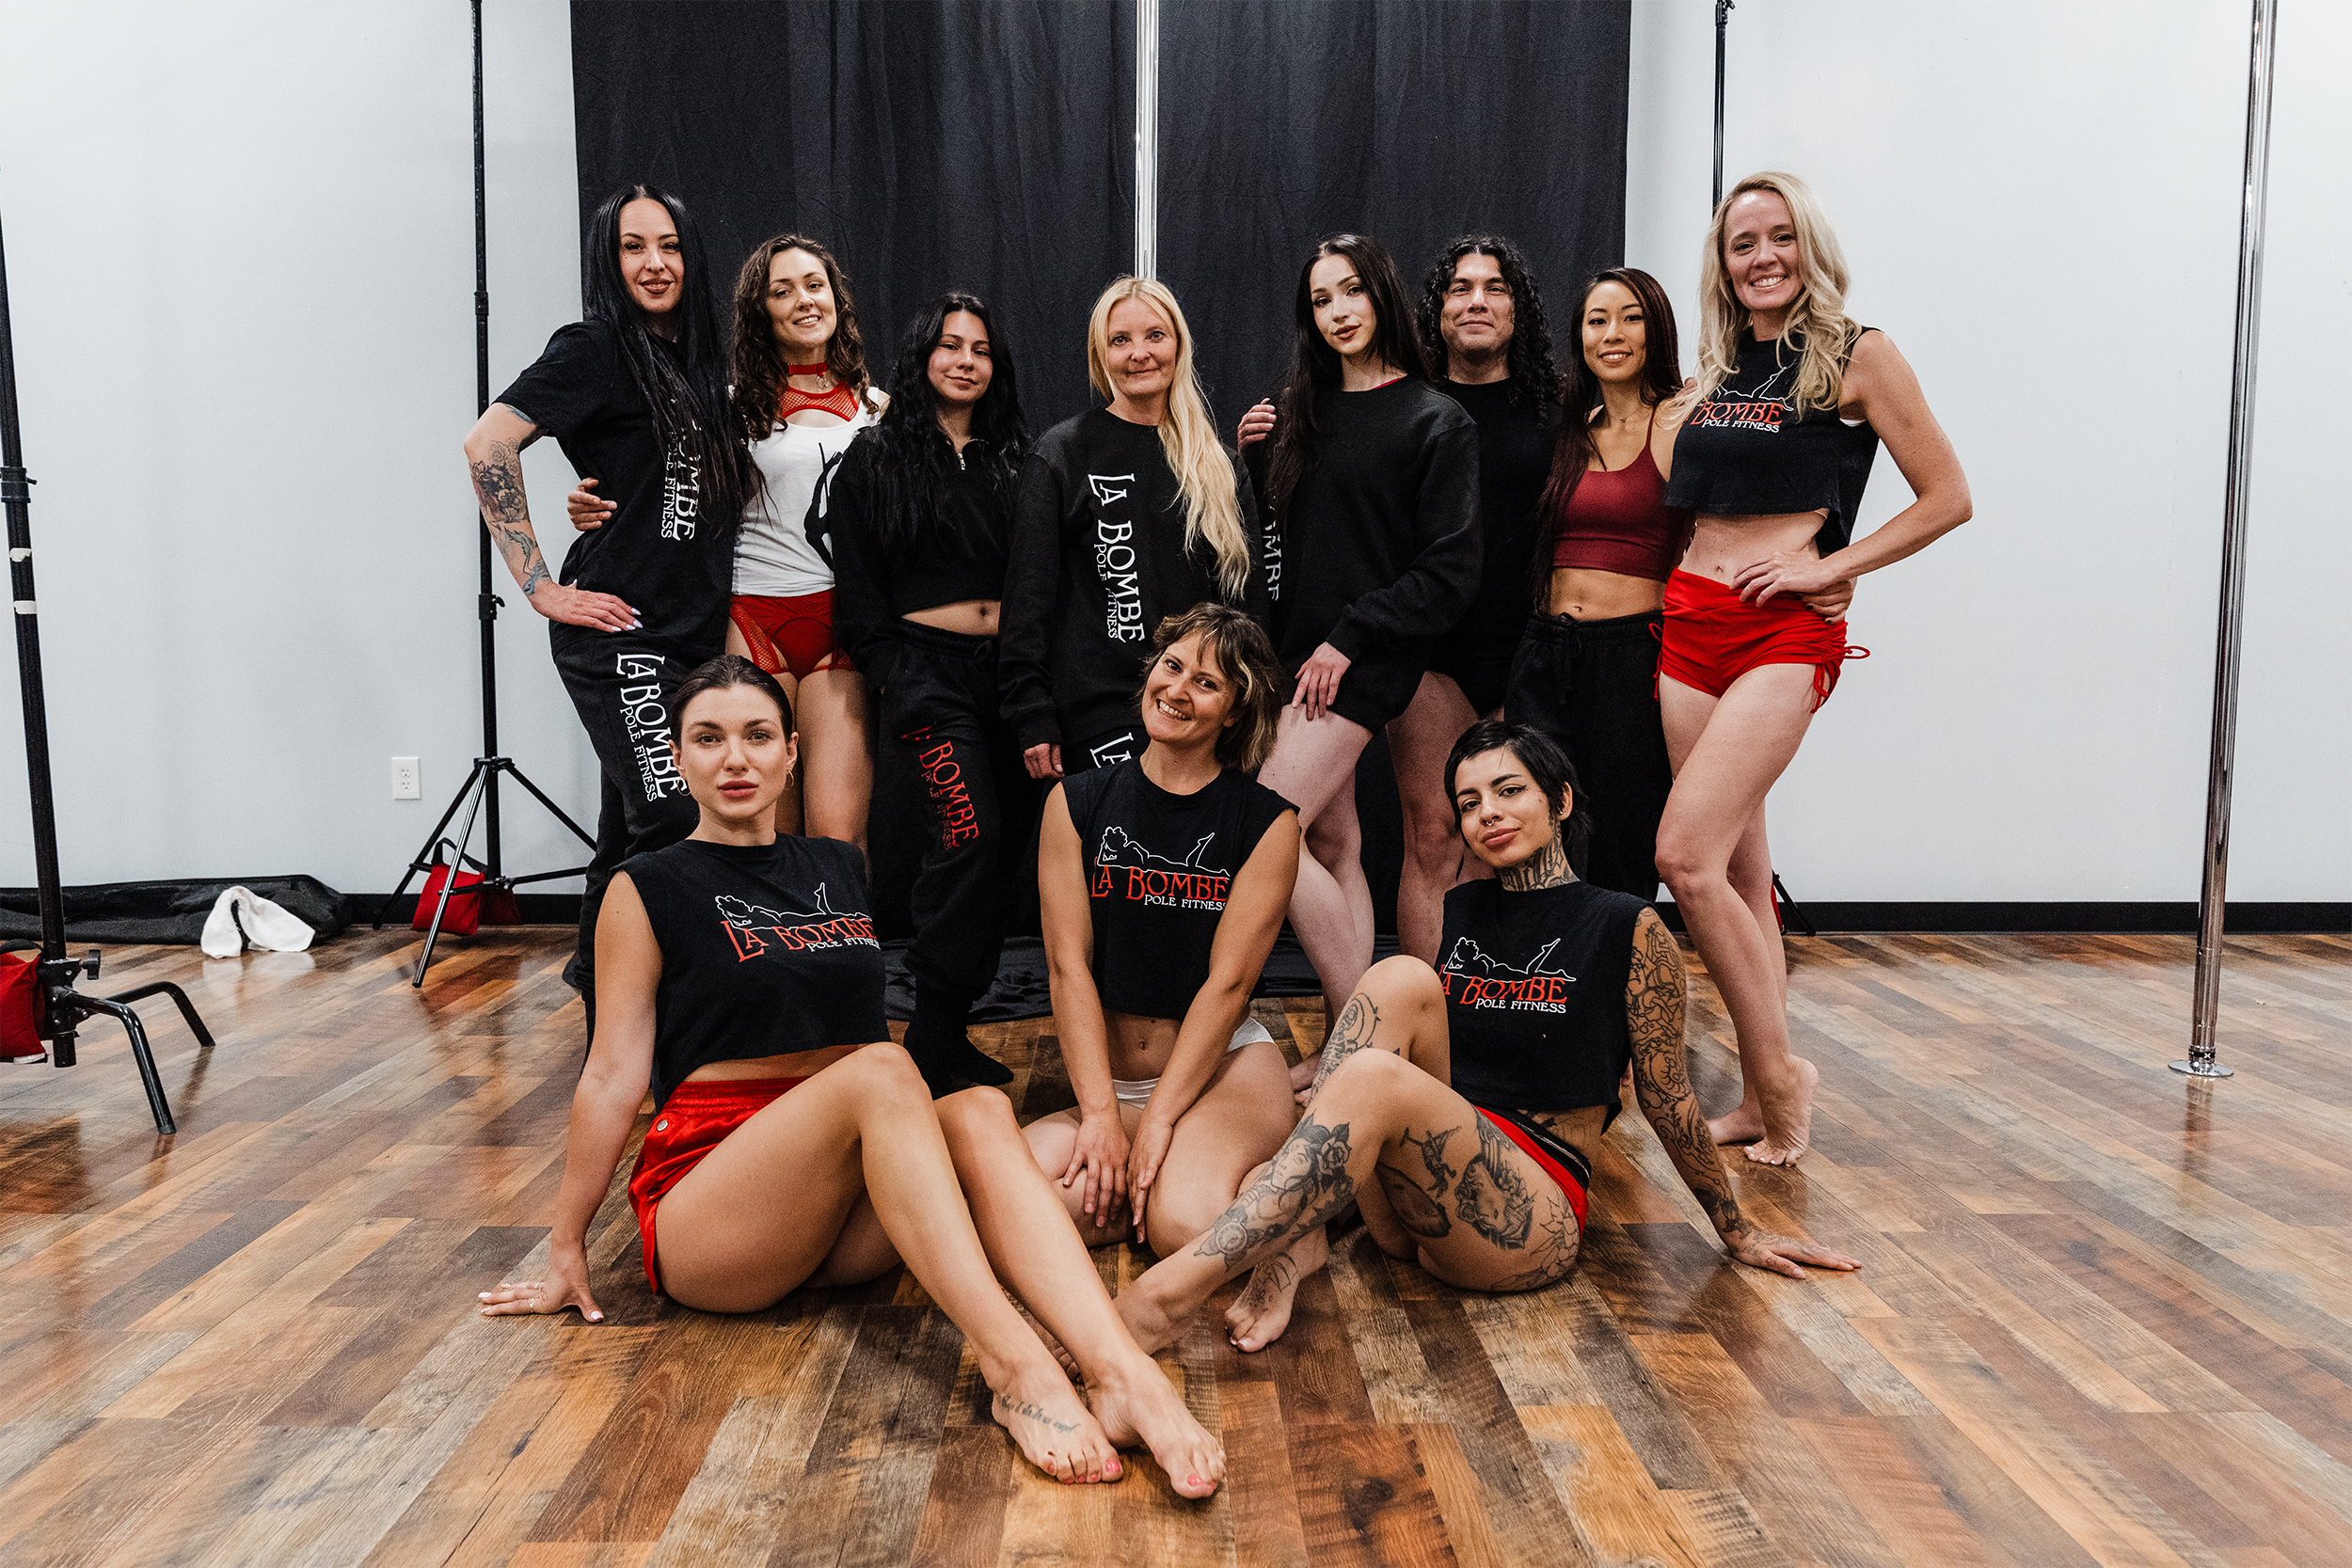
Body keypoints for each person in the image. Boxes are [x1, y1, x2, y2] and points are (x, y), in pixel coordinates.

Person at [475, 656, 1225, 1497]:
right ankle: (1019, 1371)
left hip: (829, 1205)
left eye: (758, 736)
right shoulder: (644, 887)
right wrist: (567, 1243)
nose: (735, 759)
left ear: (792, 753)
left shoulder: (835, 866)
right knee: (888, 1069)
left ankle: (1128, 1374)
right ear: (677, 758)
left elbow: (863, 1060)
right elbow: (612, 1075)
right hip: (711, 1202)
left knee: (977, 1105)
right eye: (709, 738)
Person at [1108, 721, 1861, 1356]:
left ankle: (1166, 1297)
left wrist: (1736, 1230)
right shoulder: (1462, 909)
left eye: (1509, 792)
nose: (1487, 814)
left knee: (1374, 1071)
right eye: (1469, 803)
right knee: (1396, 977)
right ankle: (1293, 1246)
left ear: (1559, 800)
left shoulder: (1626, 925)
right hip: (1419, 1200)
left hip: (1527, 1215)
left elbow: (1668, 1102)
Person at [1658, 171, 1970, 1164]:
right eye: (1742, 243)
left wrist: (1829, 566)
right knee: (1743, 868)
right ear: (1722, 263)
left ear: (1809, 246)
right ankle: (1759, 1086)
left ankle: (1786, 1074)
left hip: (1777, 632)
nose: (1761, 258)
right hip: (1689, 621)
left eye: (1778, 237)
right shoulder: (1718, 371)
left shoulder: (1856, 353)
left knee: (1684, 858)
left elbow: (1946, 495)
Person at [464, 183, 757, 1019]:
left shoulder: (704, 358)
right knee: (670, 809)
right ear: (609, 259)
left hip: (693, 629)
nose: (655, 263)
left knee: (629, 828)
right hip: (620, 627)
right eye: (634, 247)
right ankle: (670, 1020)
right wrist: (540, 585)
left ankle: (605, 1008)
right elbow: (489, 441)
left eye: (668, 244)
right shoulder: (596, 346)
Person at [1232, 235, 1481, 1030]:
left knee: (1264, 824)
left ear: (1382, 295)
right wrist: (1255, 460)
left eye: (1352, 292)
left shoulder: (1436, 420)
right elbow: (1293, 542)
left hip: (1363, 655)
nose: (1339, 311)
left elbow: (1448, 570)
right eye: (1321, 299)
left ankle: (1374, 1035)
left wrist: (1352, 636)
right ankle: (1354, 1038)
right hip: (1299, 655)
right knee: (1333, 844)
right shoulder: (1299, 412)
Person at [568, 234, 881, 853]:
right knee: (766, 828)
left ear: (836, 298)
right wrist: (587, 503)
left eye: (814, 285)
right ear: (760, 308)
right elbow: (654, 488)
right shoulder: (726, 408)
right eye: (782, 289)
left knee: (839, 833)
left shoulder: (881, 409)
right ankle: (775, 948)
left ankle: (843, 948)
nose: (803, 300)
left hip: (840, 625)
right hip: (753, 620)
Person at [1021, 604, 1302, 1270]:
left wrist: (1159, 1120)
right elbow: (1068, 968)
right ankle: (1163, 1185)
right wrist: (1097, 1113)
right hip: (1111, 1089)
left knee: (1183, 1226)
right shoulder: (1076, 802)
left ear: (1234, 712)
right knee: (1011, 1197)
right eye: (1171, 666)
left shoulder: (1267, 822)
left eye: (1206, 683)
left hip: (1221, 1072)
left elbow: (1229, 986)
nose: (1176, 689)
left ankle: (1300, 1238)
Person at [829, 293, 1033, 1096]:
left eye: (980, 349)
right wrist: (896, 673)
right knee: (967, 841)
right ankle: (930, 1033)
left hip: (1010, 677)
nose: (965, 361)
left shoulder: (1019, 455)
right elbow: (859, 593)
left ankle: (950, 1028)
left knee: (1004, 855)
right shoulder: (875, 458)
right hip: (926, 674)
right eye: (949, 346)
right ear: (921, 358)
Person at [1002, 277, 1271, 782]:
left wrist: (1248, 713)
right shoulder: (1062, 453)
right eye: (1119, 340)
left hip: (1200, 717)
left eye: (1155, 336)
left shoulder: (1219, 466)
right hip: (1098, 714)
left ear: (1179, 345)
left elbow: (1249, 607)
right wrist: (1031, 712)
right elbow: (1027, 602)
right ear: (1099, 355)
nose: (1139, 354)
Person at [1378, 237, 1563, 961]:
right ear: (1438, 309)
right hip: (1431, 654)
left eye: (1495, 288)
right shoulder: (1404, 405)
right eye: (1459, 288)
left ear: (1518, 311)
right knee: (1434, 835)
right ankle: (1424, 1022)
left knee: (1504, 842)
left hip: (1530, 647)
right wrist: (1265, 444)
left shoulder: (1558, 409)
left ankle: (1496, 1019)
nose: (1477, 300)